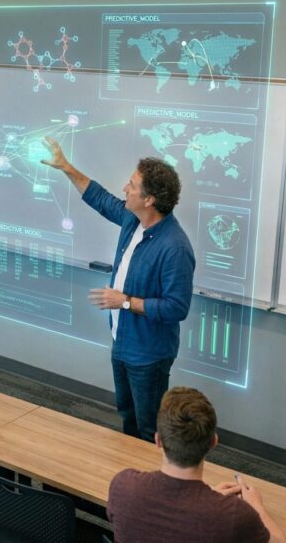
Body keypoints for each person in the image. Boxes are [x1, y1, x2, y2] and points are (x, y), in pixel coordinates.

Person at [43, 137, 195, 442]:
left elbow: (176, 308)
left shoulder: (175, 247)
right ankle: (134, 481)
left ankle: (151, 485)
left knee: (149, 429)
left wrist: (125, 302)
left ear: (149, 199)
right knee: (127, 415)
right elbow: (100, 198)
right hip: (122, 342)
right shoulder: (133, 218)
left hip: (149, 354)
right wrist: (66, 167)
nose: (125, 189)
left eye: (132, 185)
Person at [107, 387, 286, 543]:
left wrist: (208, 499)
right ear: (213, 442)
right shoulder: (234, 516)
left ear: (158, 440)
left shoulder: (123, 486)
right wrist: (256, 506)